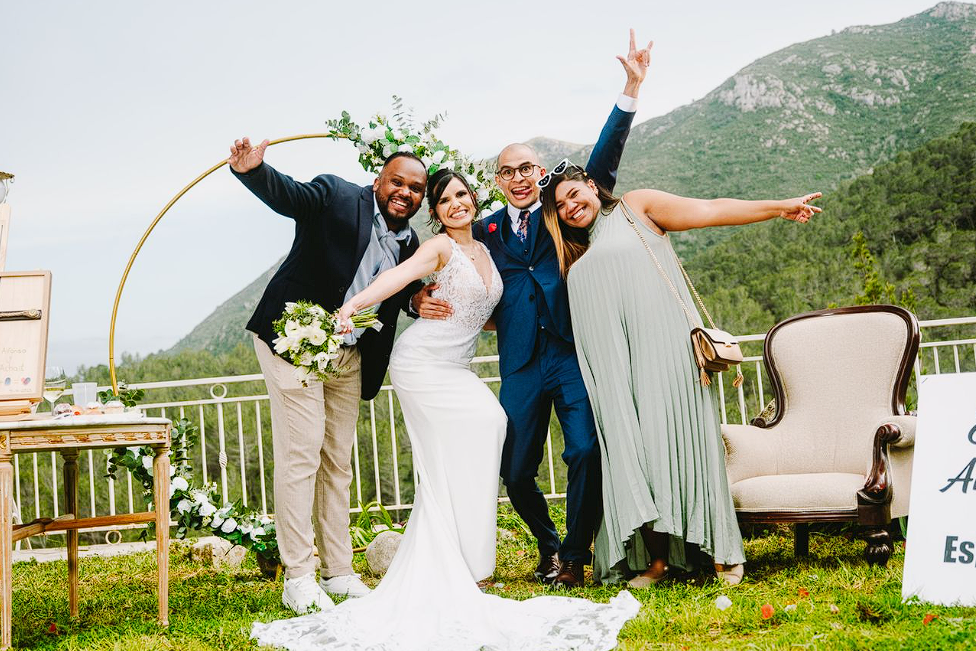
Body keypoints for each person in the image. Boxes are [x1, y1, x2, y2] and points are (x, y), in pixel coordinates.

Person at [250, 169, 639, 651]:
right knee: (469, 437)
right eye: (444, 199)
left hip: (456, 365)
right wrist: (353, 306)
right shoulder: (438, 248)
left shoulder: (486, 251)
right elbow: (396, 277)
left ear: (473, 199)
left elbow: (487, 311)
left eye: (461, 195)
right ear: (435, 213)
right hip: (421, 362)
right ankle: (454, 563)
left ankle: (465, 560)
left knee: (488, 429)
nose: (456, 204)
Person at [413, 29, 652, 588]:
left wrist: (630, 92)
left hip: (570, 353)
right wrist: (415, 297)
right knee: (515, 469)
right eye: (507, 171)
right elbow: (436, 260)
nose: (518, 178)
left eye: (526, 169)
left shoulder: (559, 210)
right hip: (519, 362)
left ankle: (575, 555)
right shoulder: (484, 230)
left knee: (585, 451)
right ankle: (548, 546)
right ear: (497, 182)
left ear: (539, 174)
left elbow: (602, 163)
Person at [539, 160, 821, 587]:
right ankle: (658, 562)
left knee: (690, 448)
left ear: (592, 186)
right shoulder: (574, 253)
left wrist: (778, 207)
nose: (570, 207)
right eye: (560, 206)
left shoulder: (636, 207)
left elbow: (709, 210)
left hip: (669, 357)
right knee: (642, 458)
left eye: (573, 194)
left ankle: (723, 554)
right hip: (619, 377)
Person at [227, 141, 427, 613]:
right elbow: (291, 196)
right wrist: (255, 171)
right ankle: (298, 575)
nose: (405, 192)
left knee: (337, 461)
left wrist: (416, 301)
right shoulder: (336, 195)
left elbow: (402, 291)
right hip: (292, 339)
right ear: (378, 182)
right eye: (397, 182)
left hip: (351, 355)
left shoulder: (410, 243)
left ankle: (338, 572)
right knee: (302, 453)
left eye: (416, 188)